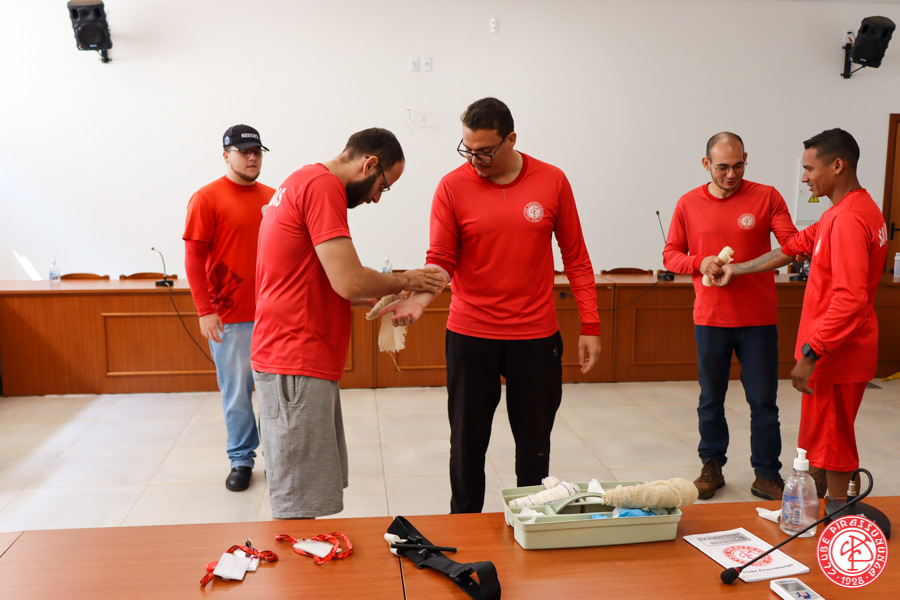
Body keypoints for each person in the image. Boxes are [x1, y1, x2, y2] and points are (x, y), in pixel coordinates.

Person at [379, 97, 602, 513]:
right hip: (471, 335)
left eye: (484, 151)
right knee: (466, 445)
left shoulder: (552, 181)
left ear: (510, 139)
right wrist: (421, 301)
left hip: (535, 337)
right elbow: (441, 258)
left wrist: (591, 324)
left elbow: (576, 258)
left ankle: (531, 519)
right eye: (467, 149)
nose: (475, 160)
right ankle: (464, 525)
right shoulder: (452, 186)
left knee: (534, 447)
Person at [251, 128, 445, 519]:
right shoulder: (324, 187)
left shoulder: (301, 179)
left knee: (306, 489)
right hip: (295, 358)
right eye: (382, 186)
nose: (376, 198)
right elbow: (349, 279)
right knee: (298, 501)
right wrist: (407, 279)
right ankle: (300, 562)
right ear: (369, 164)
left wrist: (359, 297)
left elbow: (302, 273)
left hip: (294, 355)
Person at [715, 128, 888, 499]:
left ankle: (837, 515)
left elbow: (850, 299)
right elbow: (792, 248)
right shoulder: (851, 211)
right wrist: (736, 269)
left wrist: (812, 351)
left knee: (832, 442)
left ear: (837, 166)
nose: (805, 178)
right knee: (826, 439)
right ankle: (828, 506)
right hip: (840, 351)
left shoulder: (846, 220)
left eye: (809, 169)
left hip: (836, 354)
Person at [663, 132, 798, 501]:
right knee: (711, 400)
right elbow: (670, 255)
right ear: (706, 163)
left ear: (746, 159)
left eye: (739, 165)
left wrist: (741, 268)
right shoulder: (688, 203)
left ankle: (767, 473)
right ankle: (712, 465)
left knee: (764, 402)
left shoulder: (767, 196)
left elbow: (791, 248)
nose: (731, 174)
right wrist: (700, 261)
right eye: (722, 167)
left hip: (758, 321)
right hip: (710, 319)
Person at [183, 124, 275, 492]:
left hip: (273, 314)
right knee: (237, 394)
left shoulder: (274, 198)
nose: (252, 157)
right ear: (226, 155)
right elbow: (193, 258)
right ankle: (241, 459)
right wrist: (205, 309)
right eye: (243, 151)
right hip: (230, 317)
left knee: (274, 393)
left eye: (257, 151)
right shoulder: (206, 198)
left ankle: (277, 456)